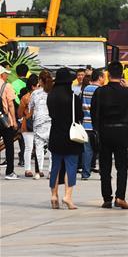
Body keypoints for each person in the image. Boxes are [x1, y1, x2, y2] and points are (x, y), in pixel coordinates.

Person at [91, 61, 128, 208]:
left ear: (107, 74)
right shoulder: (126, 91)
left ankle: (107, 198)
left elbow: (93, 111)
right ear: (121, 74)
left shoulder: (100, 91)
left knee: (105, 168)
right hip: (121, 132)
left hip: (104, 132)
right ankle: (120, 197)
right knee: (122, 167)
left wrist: (97, 129)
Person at [46, 68, 83, 209]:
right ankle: (67, 196)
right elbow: (80, 116)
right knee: (70, 166)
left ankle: (54, 195)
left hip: (55, 134)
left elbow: (51, 114)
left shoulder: (51, 96)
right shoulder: (73, 98)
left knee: (55, 166)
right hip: (71, 136)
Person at [27, 71, 53, 180]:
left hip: (38, 123)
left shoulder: (35, 93)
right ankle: (51, 171)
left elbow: (30, 107)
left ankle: (38, 171)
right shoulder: (53, 92)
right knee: (52, 149)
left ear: (40, 81)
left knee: (38, 147)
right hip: (51, 122)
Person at [80, 69, 103, 179]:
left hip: (86, 124)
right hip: (98, 126)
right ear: (99, 78)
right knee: (102, 150)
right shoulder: (101, 91)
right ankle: (103, 173)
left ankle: (85, 174)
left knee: (87, 150)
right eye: (103, 77)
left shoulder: (85, 90)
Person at [17, 76, 39, 177]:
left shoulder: (25, 97)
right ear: (33, 86)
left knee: (30, 148)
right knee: (30, 147)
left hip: (30, 124)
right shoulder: (26, 98)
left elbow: (20, 113)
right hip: (30, 125)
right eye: (38, 85)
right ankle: (28, 169)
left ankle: (30, 170)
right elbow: (20, 113)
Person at [0, 66, 18, 179]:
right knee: (9, 146)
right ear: (2, 75)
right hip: (5, 121)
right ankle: (9, 172)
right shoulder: (7, 86)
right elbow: (11, 104)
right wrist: (14, 120)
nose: (7, 76)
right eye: (6, 74)